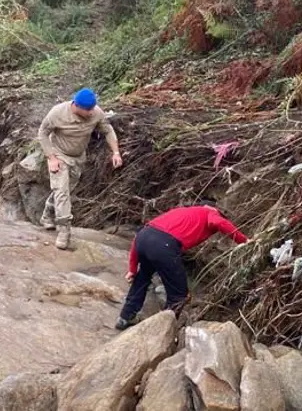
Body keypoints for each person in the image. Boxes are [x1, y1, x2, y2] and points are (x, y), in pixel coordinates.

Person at [116, 201, 248, 329]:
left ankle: (126, 316)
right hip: (164, 245)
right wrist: (245, 241)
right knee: (179, 295)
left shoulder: (182, 212)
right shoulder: (209, 212)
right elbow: (218, 222)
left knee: (142, 277)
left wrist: (132, 270)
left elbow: (140, 236)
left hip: (143, 238)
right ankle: (163, 330)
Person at [37, 88, 122, 250]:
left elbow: (108, 130)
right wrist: (51, 157)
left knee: (66, 190)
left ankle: (47, 214)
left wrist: (116, 152)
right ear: (76, 106)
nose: (91, 113)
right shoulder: (57, 113)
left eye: (92, 109)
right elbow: (42, 133)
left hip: (78, 157)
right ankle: (64, 230)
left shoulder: (96, 113)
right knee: (61, 191)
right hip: (59, 154)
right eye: (88, 110)